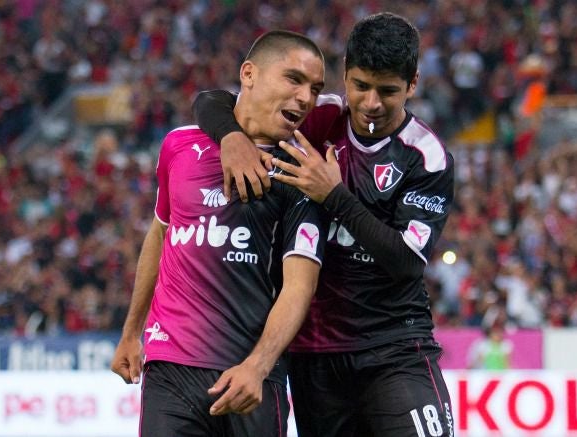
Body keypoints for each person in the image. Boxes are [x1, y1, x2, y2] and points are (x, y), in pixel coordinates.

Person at [193, 12, 455, 437]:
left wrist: (333, 196)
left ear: (412, 84)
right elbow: (211, 100)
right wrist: (232, 139)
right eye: (360, 86)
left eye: (387, 91)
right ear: (345, 75)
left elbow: (407, 261)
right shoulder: (321, 119)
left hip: (394, 350)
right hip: (315, 356)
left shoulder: (426, 156)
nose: (371, 103)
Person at [110, 30, 328, 437]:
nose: (305, 98)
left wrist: (258, 367)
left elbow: (300, 285)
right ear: (249, 73)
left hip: (248, 376)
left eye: (314, 89)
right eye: (293, 79)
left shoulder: (302, 173)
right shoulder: (178, 146)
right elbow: (160, 235)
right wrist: (130, 333)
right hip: (170, 371)